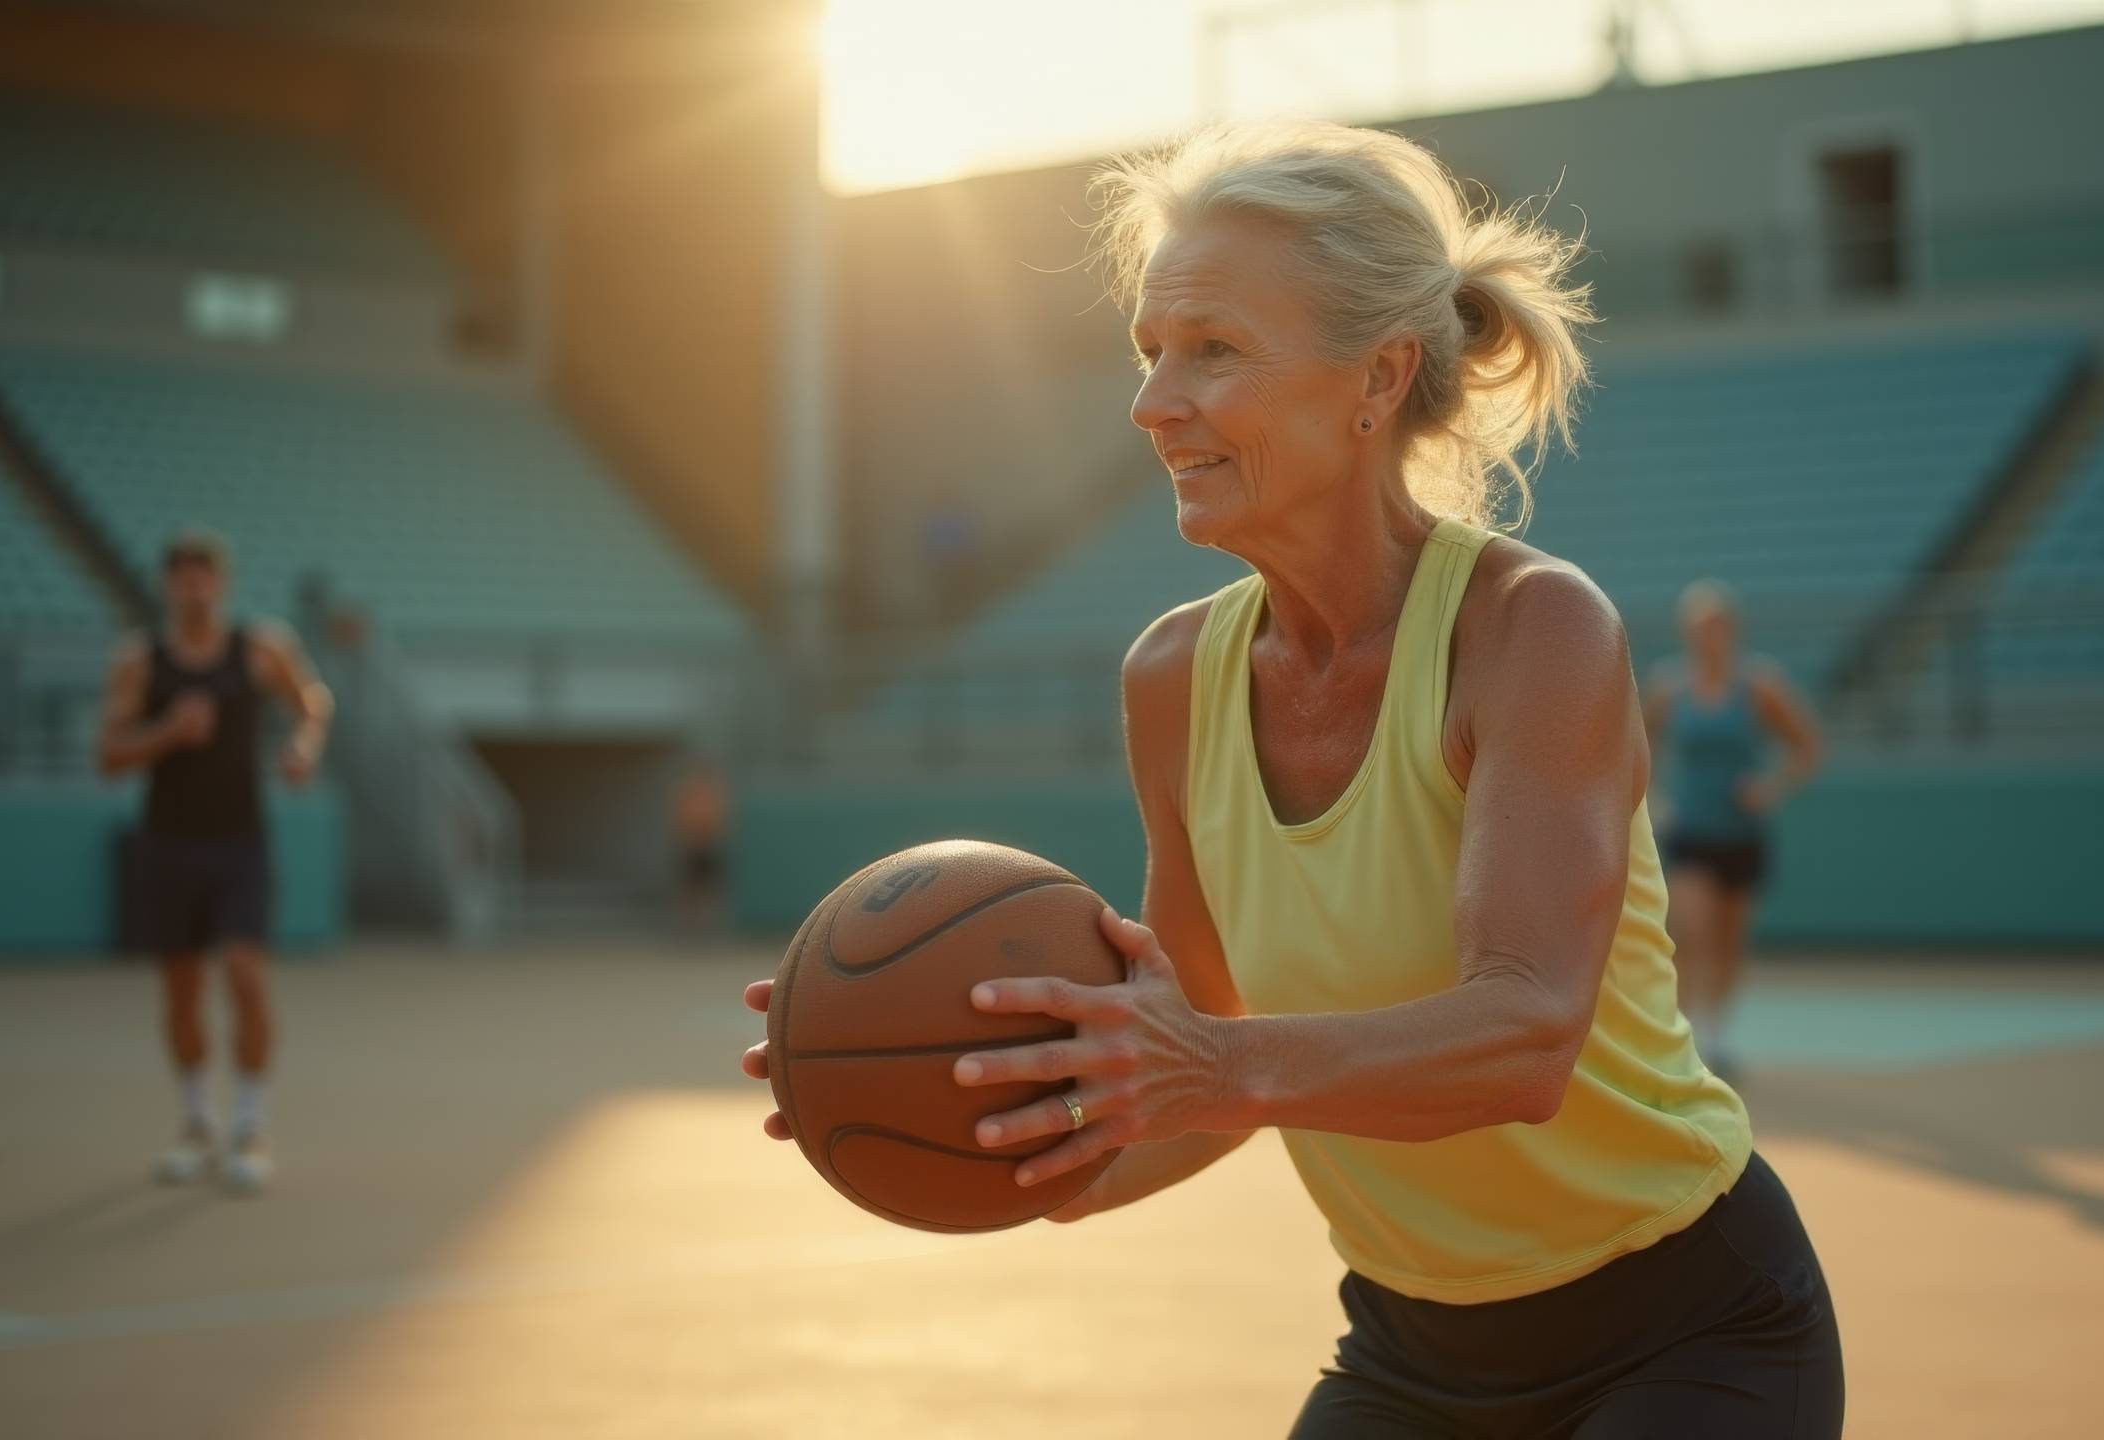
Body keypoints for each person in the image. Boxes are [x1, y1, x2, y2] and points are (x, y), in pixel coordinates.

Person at [744, 123, 1841, 1436]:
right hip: (1411, 1349)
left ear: (1375, 376)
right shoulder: (1173, 681)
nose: (1154, 402)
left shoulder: (1531, 631)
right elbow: (1209, 1071)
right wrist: (997, 1130)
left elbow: (1524, 1035)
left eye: (1212, 350)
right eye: (1150, 351)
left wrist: (1204, 1061)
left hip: (1686, 1327)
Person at [95, 530, 331, 1196]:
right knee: (181, 988)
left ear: (221, 585)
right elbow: (107, 755)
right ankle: (197, 1123)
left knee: (245, 972)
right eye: (183, 578)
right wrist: (167, 733)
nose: (194, 589)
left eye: (205, 577)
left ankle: (249, 1125)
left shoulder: (261, 649)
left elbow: (313, 704)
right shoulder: (140, 664)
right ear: (169, 587)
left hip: (240, 843)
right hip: (168, 843)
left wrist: (304, 748)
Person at [1641, 580, 1823, 1080]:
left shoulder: (1760, 685)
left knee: (1729, 936)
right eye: (1700, 629)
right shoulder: (1670, 687)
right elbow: (1639, 745)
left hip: (1742, 832)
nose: (1709, 638)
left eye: (1717, 628)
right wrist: (1654, 799)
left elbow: (1806, 746)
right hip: (1691, 832)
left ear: (1733, 631)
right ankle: (1682, 1033)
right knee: (1689, 929)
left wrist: (1771, 786)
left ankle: (1715, 1036)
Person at [671, 757, 732, 935]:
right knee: (690, 886)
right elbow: (680, 817)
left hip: (708, 845)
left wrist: (714, 838)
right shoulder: (688, 791)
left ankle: (705, 924)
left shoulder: (714, 792)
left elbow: (720, 819)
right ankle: (688, 925)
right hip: (692, 845)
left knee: (708, 886)